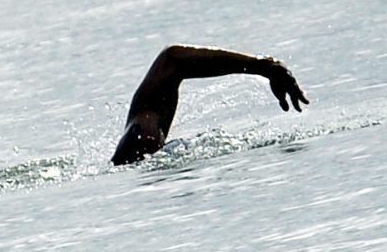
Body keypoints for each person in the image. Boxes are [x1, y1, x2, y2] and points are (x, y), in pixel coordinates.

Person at [113, 46, 309, 165]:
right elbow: (172, 60)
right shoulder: (138, 143)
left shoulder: (135, 141)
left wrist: (265, 67)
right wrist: (265, 66)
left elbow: (172, 61)